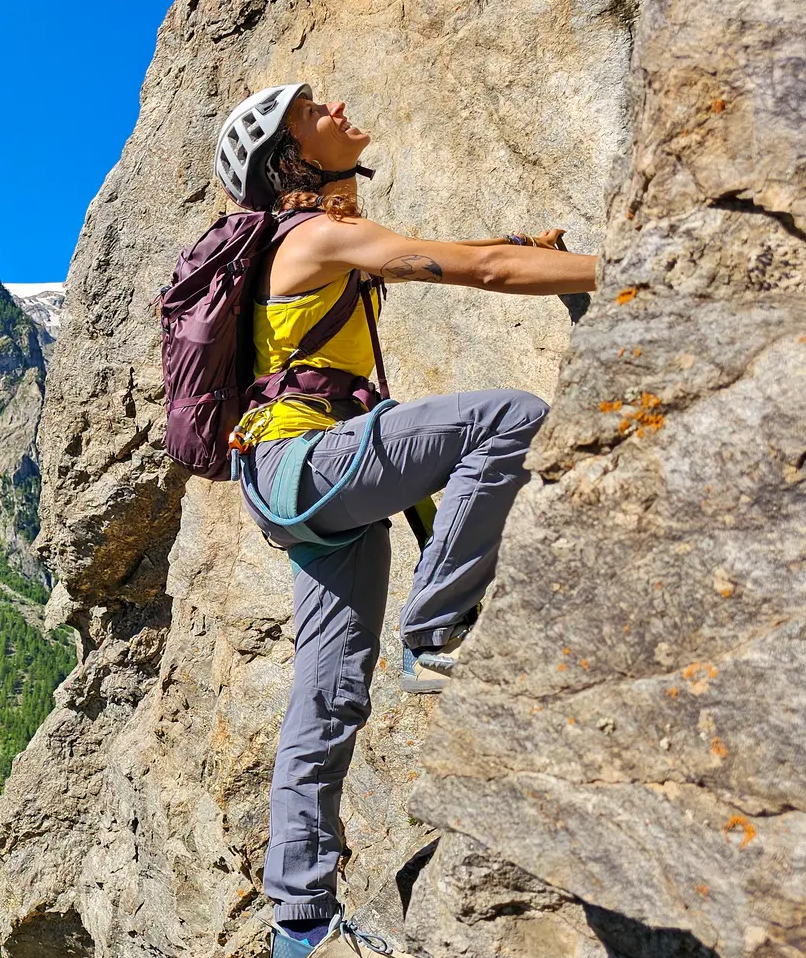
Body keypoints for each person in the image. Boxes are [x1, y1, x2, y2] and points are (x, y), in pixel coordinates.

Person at [209, 84, 597, 957]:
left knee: (328, 690)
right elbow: (480, 273)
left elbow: (453, 254)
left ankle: (298, 921)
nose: (336, 105)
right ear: (291, 159)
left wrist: (518, 244)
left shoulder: (305, 242)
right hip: (314, 464)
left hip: (288, 488)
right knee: (506, 417)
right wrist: (636, 271)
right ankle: (437, 631)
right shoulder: (314, 236)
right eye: (311, 109)